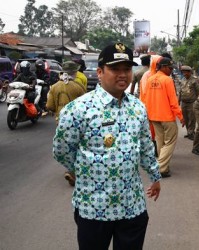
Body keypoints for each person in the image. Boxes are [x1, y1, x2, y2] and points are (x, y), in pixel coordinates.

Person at [53, 43, 161, 249]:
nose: (122, 75)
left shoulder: (138, 107)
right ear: (100, 72)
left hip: (132, 206)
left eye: (127, 69)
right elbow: (62, 151)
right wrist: (84, 170)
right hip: (94, 208)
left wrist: (155, 177)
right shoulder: (78, 109)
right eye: (115, 69)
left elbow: (146, 146)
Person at [143, 57, 185, 178]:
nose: (171, 70)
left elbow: (146, 99)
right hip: (166, 116)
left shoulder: (150, 79)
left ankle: (164, 168)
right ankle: (160, 168)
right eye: (170, 68)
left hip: (153, 116)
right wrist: (180, 116)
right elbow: (173, 101)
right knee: (170, 141)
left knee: (160, 141)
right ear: (163, 67)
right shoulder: (167, 80)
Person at [47, 61, 87, 186]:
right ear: (75, 72)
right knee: (78, 146)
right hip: (78, 120)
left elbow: (50, 105)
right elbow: (86, 105)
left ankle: (70, 170)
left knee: (67, 146)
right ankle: (72, 171)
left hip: (61, 121)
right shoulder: (79, 85)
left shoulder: (54, 87)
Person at [179, 65, 199, 140]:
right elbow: (180, 91)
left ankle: (191, 132)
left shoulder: (195, 80)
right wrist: (178, 101)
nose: (184, 74)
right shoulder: (182, 80)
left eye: (186, 72)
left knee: (192, 118)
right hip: (184, 102)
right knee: (185, 118)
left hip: (192, 102)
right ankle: (188, 132)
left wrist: (198, 102)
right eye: (183, 72)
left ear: (190, 72)